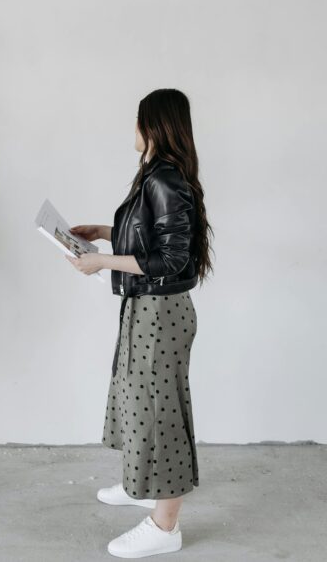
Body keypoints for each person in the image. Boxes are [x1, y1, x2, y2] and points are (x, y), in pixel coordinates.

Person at [69, 88, 213, 558]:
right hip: (147, 307)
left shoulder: (165, 178)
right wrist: (102, 232)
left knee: (160, 411)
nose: (132, 129)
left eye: (136, 121)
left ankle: (165, 526)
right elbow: (152, 236)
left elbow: (171, 259)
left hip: (161, 312)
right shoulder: (157, 175)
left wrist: (104, 262)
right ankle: (145, 484)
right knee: (137, 399)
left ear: (151, 126)